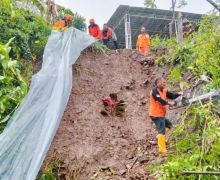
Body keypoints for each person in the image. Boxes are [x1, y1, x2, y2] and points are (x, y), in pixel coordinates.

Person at [149, 78, 183, 154]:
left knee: (169, 125)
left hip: (161, 114)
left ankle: (160, 138)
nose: (164, 84)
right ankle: (162, 149)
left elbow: (171, 95)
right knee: (161, 131)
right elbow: (159, 100)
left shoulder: (164, 91)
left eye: (164, 83)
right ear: (158, 83)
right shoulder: (154, 91)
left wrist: (178, 94)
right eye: (162, 83)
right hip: (156, 114)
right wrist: (169, 103)